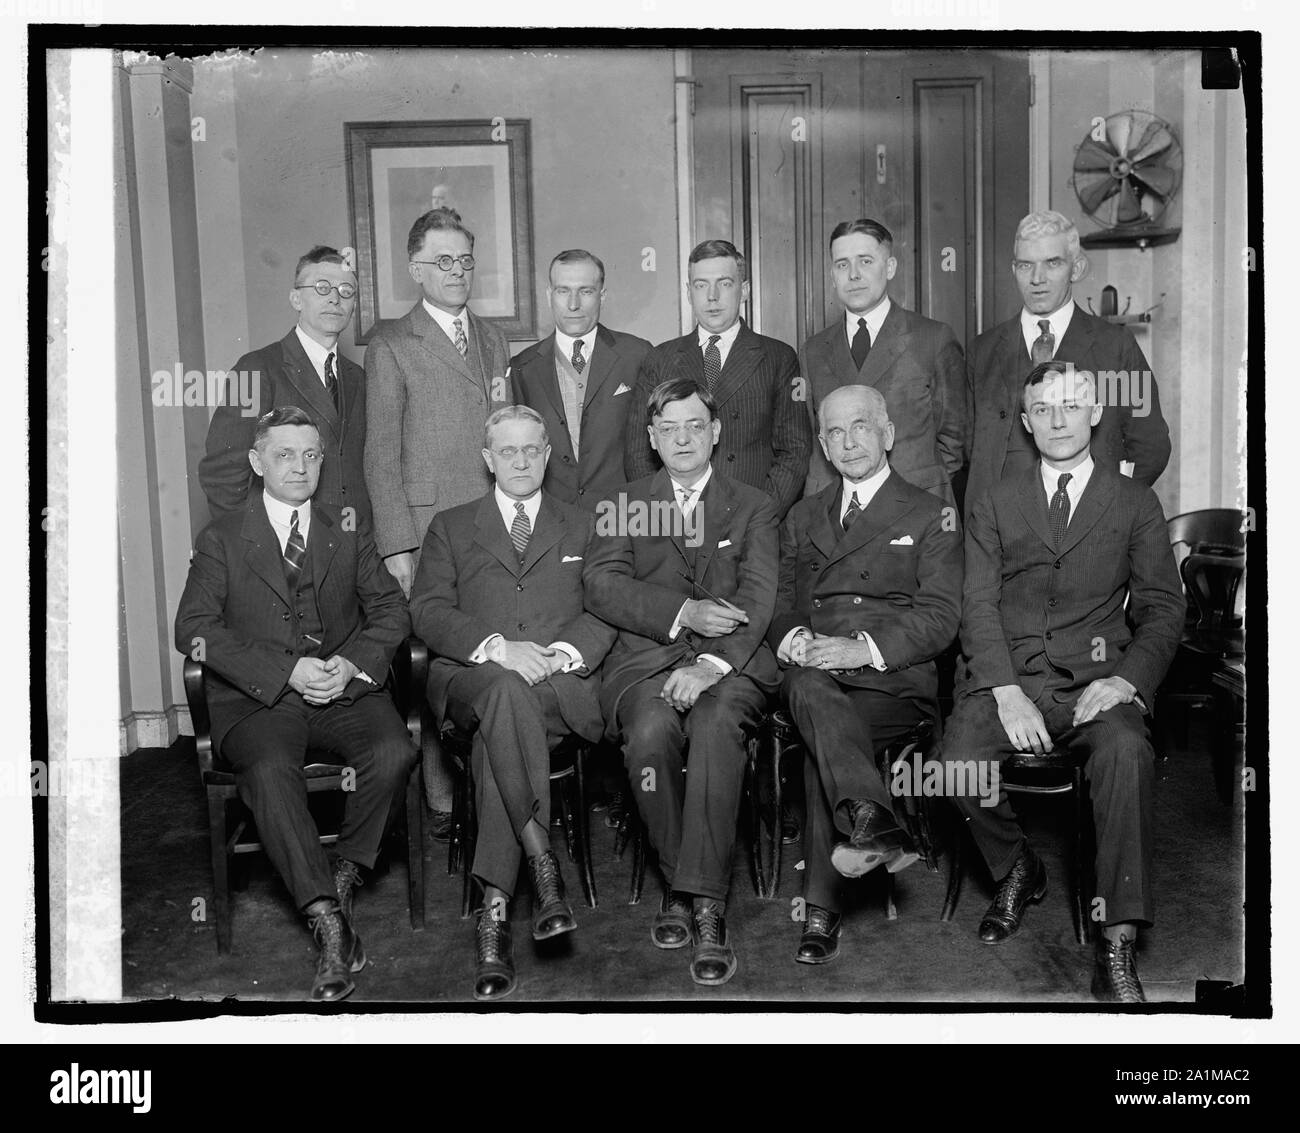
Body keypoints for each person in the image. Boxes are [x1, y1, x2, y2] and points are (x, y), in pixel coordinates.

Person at [942, 360, 1184, 1002]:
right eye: (1043, 409)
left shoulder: (1134, 500)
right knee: (956, 762)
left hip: (1097, 682)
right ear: (1025, 421)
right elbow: (978, 602)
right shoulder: (995, 498)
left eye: (1071, 406)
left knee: (1127, 752)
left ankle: (1118, 942)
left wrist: (1129, 681)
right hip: (1008, 679)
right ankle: (1019, 865)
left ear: (1096, 413)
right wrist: (1004, 688)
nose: (1057, 420)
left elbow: (1165, 607)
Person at [175, 407, 415, 1002]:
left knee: (393, 751)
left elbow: (391, 610)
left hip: (338, 692)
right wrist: (286, 670)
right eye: (285, 455)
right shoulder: (222, 538)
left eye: (310, 455)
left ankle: (343, 875)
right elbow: (194, 628)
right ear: (258, 463)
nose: (300, 466)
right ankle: (327, 923)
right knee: (268, 771)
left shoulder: (347, 531)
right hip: (261, 701)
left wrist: (350, 664)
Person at [409, 405, 614, 1001]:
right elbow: (425, 610)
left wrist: (557, 654)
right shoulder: (451, 526)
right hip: (476, 678)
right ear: (487, 459)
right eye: (507, 451)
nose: (520, 461)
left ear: (548, 455)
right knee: (502, 691)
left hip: (556, 687)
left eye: (532, 450)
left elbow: (605, 609)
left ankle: (493, 916)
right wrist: (497, 648)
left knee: (504, 720)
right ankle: (541, 864)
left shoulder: (585, 525)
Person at [585, 378, 779, 987]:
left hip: (730, 664)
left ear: (716, 432)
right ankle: (686, 879)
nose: (683, 438)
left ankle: (701, 904)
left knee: (719, 728)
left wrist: (711, 665)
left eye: (695, 425)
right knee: (648, 736)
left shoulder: (753, 506)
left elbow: (760, 599)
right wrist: (682, 613)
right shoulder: (622, 501)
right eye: (669, 428)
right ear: (651, 437)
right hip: (647, 660)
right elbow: (601, 584)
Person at [768, 385, 962, 964]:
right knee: (807, 691)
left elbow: (942, 618)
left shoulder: (931, 514)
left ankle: (822, 907)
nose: (848, 442)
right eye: (833, 431)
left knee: (822, 737)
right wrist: (795, 637)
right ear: (822, 446)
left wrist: (862, 649)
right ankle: (873, 817)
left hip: (890, 677)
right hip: (815, 672)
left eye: (860, 427)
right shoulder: (803, 515)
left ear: (888, 434)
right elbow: (779, 602)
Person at [965, 209, 1171, 515]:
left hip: (1088, 536)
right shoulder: (982, 351)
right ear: (1013, 269)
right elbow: (966, 451)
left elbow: (1151, 446)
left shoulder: (1117, 348)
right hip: (997, 534)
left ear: (1076, 268)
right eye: (1025, 265)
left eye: (1052, 263)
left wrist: (1106, 509)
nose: (1037, 279)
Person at [364, 207, 513, 597]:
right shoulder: (390, 345)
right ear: (416, 270)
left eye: (465, 260)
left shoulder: (494, 338)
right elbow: (380, 456)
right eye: (443, 261)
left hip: (493, 519)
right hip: (427, 526)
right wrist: (396, 546)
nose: (457, 271)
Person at [623, 239, 811, 521]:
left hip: (751, 521)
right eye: (700, 285)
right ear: (689, 292)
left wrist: (759, 515)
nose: (712, 296)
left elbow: (795, 450)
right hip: (678, 522)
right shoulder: (660, 359)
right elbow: (639, 451)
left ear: (744, 290)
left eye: (724, 283)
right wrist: (666, 516)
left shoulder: (778, 357)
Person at [800, 220, 967, 504]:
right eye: (842, 264)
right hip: (834, 510)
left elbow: (954, 439)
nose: (853, 275)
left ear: (889, 267)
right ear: (832, 275)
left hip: (913, 509)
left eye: (866, 261)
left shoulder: (933, 338)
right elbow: (813, 439)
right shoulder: (813, 350)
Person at [199, 246, 369, 525]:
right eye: (322, 288)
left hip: (350, 544)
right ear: (296, 299)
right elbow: (223, 472)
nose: (335, 299)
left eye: (346, 291)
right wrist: (253, 544)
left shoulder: (358, 378)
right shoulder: (255, 368)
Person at [511, 249, 652, 509]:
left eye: (585, 291)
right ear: (549, 295)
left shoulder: (637, 355)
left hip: (623, 517)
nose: (573, 303)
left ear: (602, 296)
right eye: (563, 291)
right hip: (552, 518)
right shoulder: (524, 367)